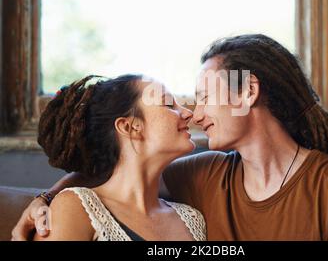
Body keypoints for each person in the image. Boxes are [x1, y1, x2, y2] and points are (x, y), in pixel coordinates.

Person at [13, 34, 328, 241]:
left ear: (246, 92)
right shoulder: (204, 175)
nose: (195, 114)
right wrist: (46, 197)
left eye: (204, 97)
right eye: (177, 103)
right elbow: (113, 177)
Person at [28, 74, 206, 241]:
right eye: (168, 104)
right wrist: (45, 197)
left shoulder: (191, 220)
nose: (188, 113)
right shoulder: (75, 207)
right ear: (129, 127)